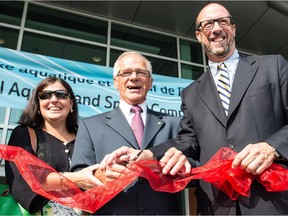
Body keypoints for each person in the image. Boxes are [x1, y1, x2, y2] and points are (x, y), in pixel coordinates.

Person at [103, 3, 288, 215]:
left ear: (234, 29)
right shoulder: (191, 93)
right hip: (216, 205)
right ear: (199, 36)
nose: (216, 29)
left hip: (274, 200)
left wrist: (272, 147)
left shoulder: (273, 66)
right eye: (208, 24)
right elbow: (188, 141)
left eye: (223, 22)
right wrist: (146, 154)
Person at [70, 51, 191, 215]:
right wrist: (100, 174)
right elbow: (77, 179)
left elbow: (196, 168)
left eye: (141, 72)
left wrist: (184, 167)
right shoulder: (90, 126)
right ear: (116, 82)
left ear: (150, 82)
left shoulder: (174, 123)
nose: (134, 77)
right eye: (126, 73)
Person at [4, 77, 120, 214]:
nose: (54, 99)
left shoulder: (87, 138)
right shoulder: (24, 134)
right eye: (45, 95)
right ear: (38, 105)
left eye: (61, 95)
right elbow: (23, 182)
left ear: (71, 104)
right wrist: (75, 179)